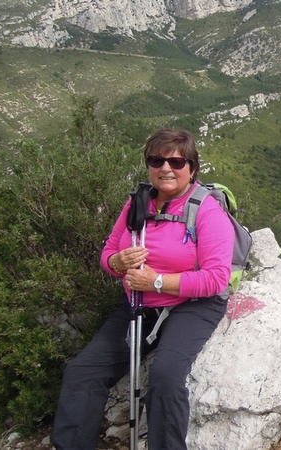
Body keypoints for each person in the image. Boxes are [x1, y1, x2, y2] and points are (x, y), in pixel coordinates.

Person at [52, 129, 234, 449]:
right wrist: (118, 262)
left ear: (192, 168)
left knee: (165, 378)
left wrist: (158, 281)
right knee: (83, 372)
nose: (166, 168)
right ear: (148, 165)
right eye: (156, 160)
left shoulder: (207, 211)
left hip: (192, 304)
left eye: (176, 161)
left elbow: (216, 278)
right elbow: (108, 254)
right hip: (138, 301)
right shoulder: (136, 203)